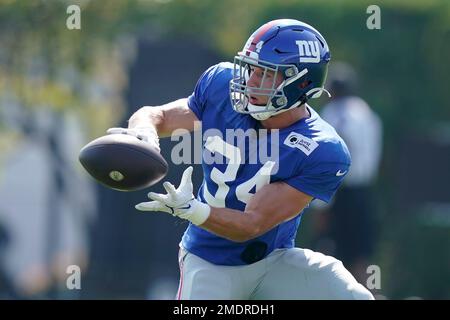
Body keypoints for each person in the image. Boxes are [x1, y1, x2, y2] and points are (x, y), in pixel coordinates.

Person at [108, 19, 374, 300]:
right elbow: (155, 115)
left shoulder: (322, 150)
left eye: (266, 74)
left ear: (302, 83)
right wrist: (142, 135)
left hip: (274, 260)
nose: (251, 82)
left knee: (354, 297)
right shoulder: (221, 86)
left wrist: (190, 209)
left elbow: (251, 224)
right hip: (208, 260)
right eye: (251, 69)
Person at [319, 62, 383, 284]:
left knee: (334, 253)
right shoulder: (367, 113)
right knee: (362, 254)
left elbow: (329, 160)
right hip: (366, 190)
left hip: (341, 192)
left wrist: (322, 205)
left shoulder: (333, 113)